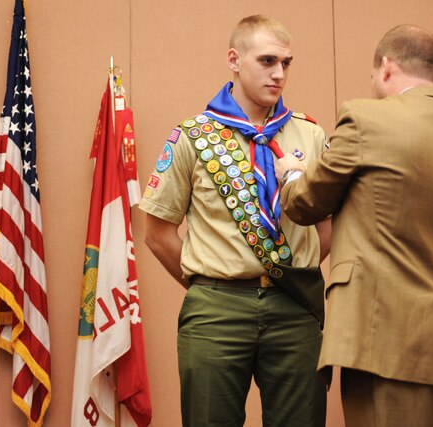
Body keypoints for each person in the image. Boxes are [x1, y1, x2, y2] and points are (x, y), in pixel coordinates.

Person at [276, 24, 433, 427]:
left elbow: (306, 204)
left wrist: (290, 174)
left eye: (374, 75)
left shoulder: (365, 119)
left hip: (388, 341)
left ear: (387, 67)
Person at [139, 15, 330, 427]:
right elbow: (157, 234)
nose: (279, 74)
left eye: (286, 63)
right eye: (266, 61)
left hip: (294, 306)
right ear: (234, 59)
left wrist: (290, 267)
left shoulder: (311, 136)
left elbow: (327, 228)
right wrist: (209, 284)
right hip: (216, 309)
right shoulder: (193, 136)